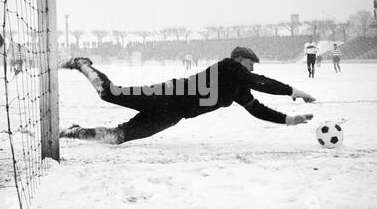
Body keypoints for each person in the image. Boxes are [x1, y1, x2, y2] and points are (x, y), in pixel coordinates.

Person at [59, 47, 316, 145]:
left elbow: (257, 108)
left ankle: (73, 131)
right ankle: (83, 64)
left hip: (173, 114)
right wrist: (294, 91)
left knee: (117, 138)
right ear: (240, 59)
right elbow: (262, 83)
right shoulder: (228, 66)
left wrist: (289, 119)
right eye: (251, 62)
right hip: (165, 94)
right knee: (109, 94)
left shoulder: (238, 88)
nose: (253, 67)